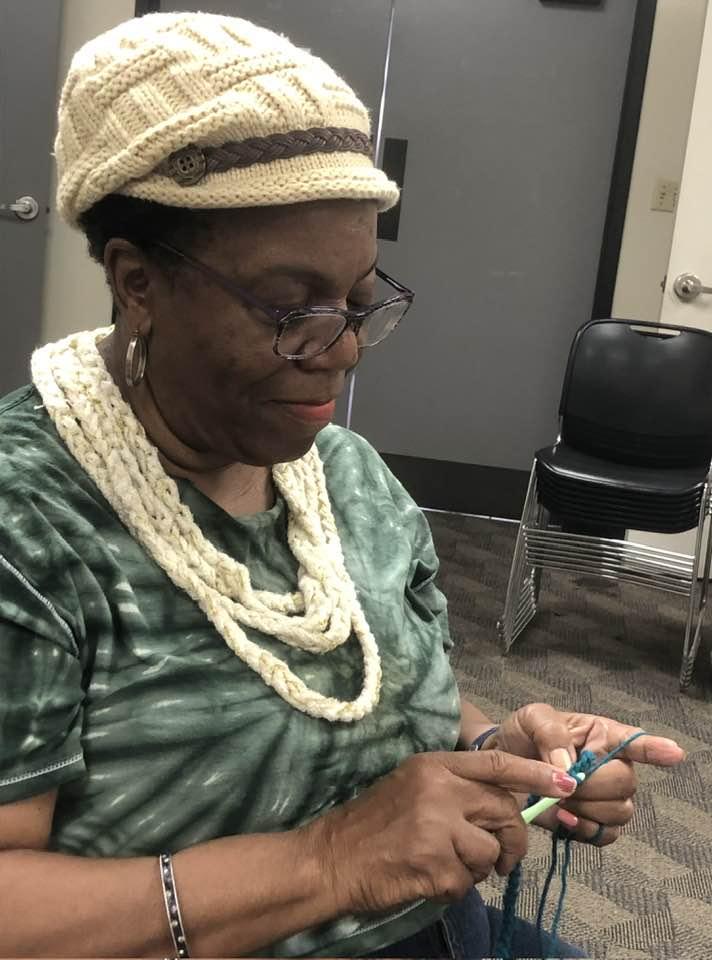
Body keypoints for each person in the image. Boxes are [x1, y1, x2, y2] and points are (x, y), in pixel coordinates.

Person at [0, 12, 684, 959]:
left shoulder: (344, 474)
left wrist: (499, 753)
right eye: (291, 309)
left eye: (360, 302)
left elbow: (395, 696)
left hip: (439, 927)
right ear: (137, 282)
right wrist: (329, 862)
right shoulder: (28, 521)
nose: (345, 351)